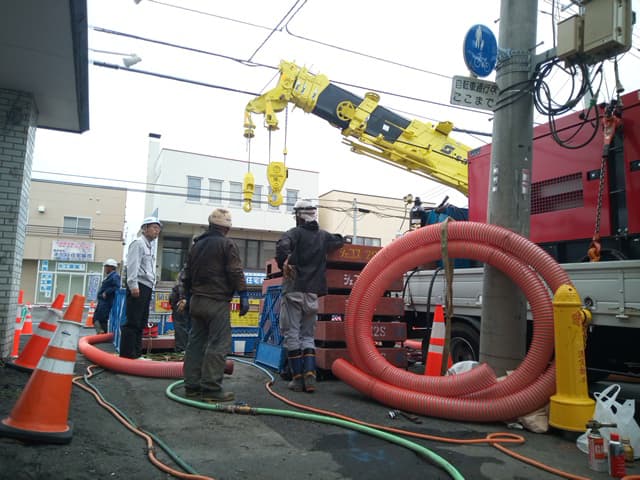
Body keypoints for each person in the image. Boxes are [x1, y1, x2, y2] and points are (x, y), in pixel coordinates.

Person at [276, 199, 344, 393]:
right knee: (308, 336)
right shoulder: (323, 236)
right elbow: (339, 240)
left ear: (298, 216)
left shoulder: (294, 233)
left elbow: (282, 245)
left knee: (292, 334)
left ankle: (297, 379)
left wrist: (284, 262)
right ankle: (310, 377)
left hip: (294, 290)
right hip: (313, 293)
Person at [182, 208, 249, 403]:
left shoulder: (196, 246)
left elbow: (186, 274)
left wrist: (188, 297)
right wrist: (243, 294)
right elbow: (235, 271)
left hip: (196, 301)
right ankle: (211, 389)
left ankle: (191, 387)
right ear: (226, 228)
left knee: (195, 344)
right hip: (216, 301)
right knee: (218, 343)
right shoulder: (227, 244)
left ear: (210, 225)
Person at [120, 216, 162, 359]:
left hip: (146, 286)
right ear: (145, 229)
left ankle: (136, 353)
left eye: (158, 229)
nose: (157, 231)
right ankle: (127, 355)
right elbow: (133, 265)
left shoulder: (148, 246)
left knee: (141, 321)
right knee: (133, 321)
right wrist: (133, 285)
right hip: (139, 285)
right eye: (154, 228)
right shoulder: (138, 243)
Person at [93, 258, 121, 334]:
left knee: (102, 319)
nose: (105, 268)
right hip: (102, 301)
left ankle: (103, 335)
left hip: (107, 302)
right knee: (96, 318)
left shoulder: (115, 276)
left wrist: (106, 292)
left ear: (111, 267)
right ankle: (101, 333)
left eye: (106, 266)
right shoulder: (109, 276)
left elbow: (117, 286)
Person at [169, 268, 191, 353]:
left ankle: (183, 350)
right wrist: (183, 298)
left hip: (182, 299)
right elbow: (182, 284)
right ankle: (182, 351)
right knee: (182, 326)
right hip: (180, 300)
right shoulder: (189, 269)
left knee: (183, 327)